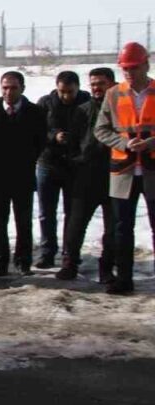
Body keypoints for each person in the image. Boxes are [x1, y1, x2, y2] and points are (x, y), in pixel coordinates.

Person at [93, 42, 155, 295]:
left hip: (152, 170)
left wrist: (151, 142)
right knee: (121, 229)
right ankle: (124, 279)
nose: (128, 72)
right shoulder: (114, 94)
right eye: (125, 68)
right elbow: (101, 129)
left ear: (146, 65)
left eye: (133, 67)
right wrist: (124, 143)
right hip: (123, 171)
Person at [56, 67, 117, 284]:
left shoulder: (121, 107)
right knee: (76, 222)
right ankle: (70, 264)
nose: (96, 88)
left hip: (115, 174)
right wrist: (76, 161)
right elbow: (73, 142)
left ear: (111, 83)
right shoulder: (83, 110)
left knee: (113, 226)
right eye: (93, 84)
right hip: (86, 173)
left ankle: (107, 268)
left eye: (100, 83)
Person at [0, 71, 48, 277]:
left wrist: (27, 158)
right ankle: (1, 261)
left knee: (23, 221)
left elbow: (40, 141)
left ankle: (23, 261)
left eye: (13, 88)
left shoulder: (35, 112)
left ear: (22, 88)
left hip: (23, 174)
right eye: (5, 87)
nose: (8, 92)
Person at [34, 71, 89, 269]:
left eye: (70, 92)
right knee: (46, 212)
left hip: (74, 165)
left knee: (72, 212)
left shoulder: (86, 103)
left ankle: (70, 252)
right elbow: (38, 130)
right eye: (62, 91)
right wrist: (54, 136)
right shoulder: (46, 103)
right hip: (48, 162)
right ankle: (47, 252)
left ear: (78, 88)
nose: (66, 96)